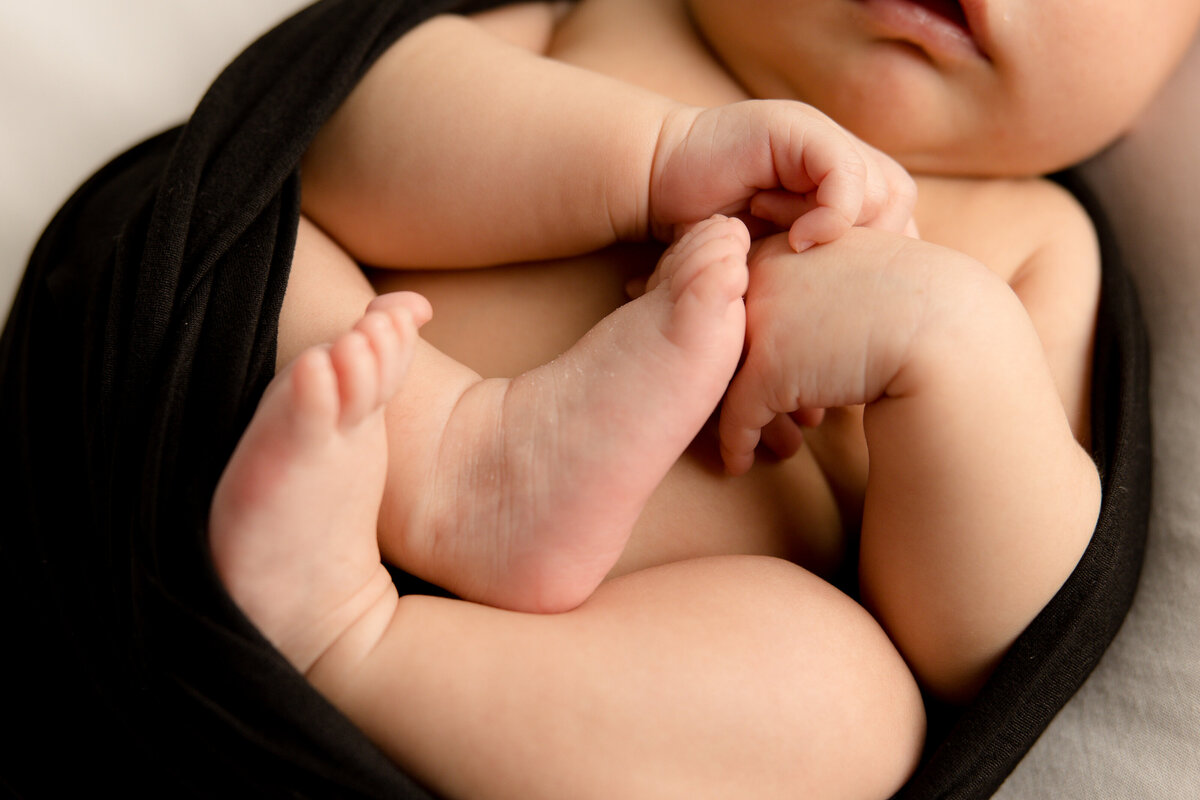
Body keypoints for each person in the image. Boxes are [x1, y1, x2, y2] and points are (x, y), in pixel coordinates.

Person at [208, 1, 1200, 798]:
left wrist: (950, 338)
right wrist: (653, 157)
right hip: (326, 450)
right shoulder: (622, 17)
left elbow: (981, 642)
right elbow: (337, 144)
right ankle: (465, 461)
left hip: (564, 691)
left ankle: (350, 644)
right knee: (257, 234)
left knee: (855, 719)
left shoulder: (1034, 241)